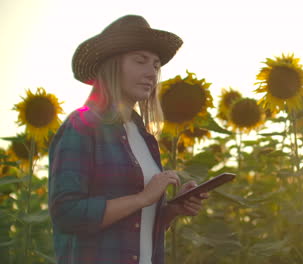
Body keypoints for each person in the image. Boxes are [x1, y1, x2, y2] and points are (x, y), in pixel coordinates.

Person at [48, 15, 208, 264]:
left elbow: (138, 227)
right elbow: (67, 213)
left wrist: (171, 211)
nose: (151, 73)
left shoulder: (144, 137)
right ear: (113, 64)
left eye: (156, 65)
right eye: (140, 61)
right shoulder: (82, 125)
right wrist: (143, 198)